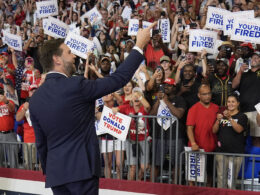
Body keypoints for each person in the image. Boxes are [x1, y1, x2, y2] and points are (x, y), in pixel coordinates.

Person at [29, 22, 157, 194]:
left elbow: (41, 143)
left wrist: (50, 171)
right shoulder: (76, 85)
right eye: (68, 52)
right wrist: (139, 45)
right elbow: (118, 79)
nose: (74, 56)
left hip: (56, 175)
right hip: (82, 171)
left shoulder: (35, 99)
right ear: (56, 59)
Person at [212, 94, 248, 189]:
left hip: (235, 153)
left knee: (231, 181)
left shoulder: (242, 116)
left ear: (238, 103)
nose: (230, 104)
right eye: (228, 101)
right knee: (220, 179)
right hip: (221, 152)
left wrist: (230, 118)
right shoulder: (222, 116)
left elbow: (239, 129)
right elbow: (214, 131)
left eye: (233, 101)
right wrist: (217, 120)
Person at [186, 84, 219, 185]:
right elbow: (189, 128)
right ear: (199, 95)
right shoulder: (193, 109)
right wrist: (193, 143)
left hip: (212, 148)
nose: (207, 96)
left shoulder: (216, 108)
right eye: (204, 94)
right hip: (197, 148)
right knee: (192, 177)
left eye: (209, 93)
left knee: (210, 176)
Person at [16, 84, 38, 170]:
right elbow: (18, 118)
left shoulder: (43, 103)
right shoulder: (24, 105)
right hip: (29, 139)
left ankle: (42, 182)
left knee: (43, 164)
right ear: (28, 93)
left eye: (36, 91)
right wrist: (24, 109)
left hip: (42, 138)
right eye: (32, 91)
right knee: (29, 165)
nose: (34, 92)